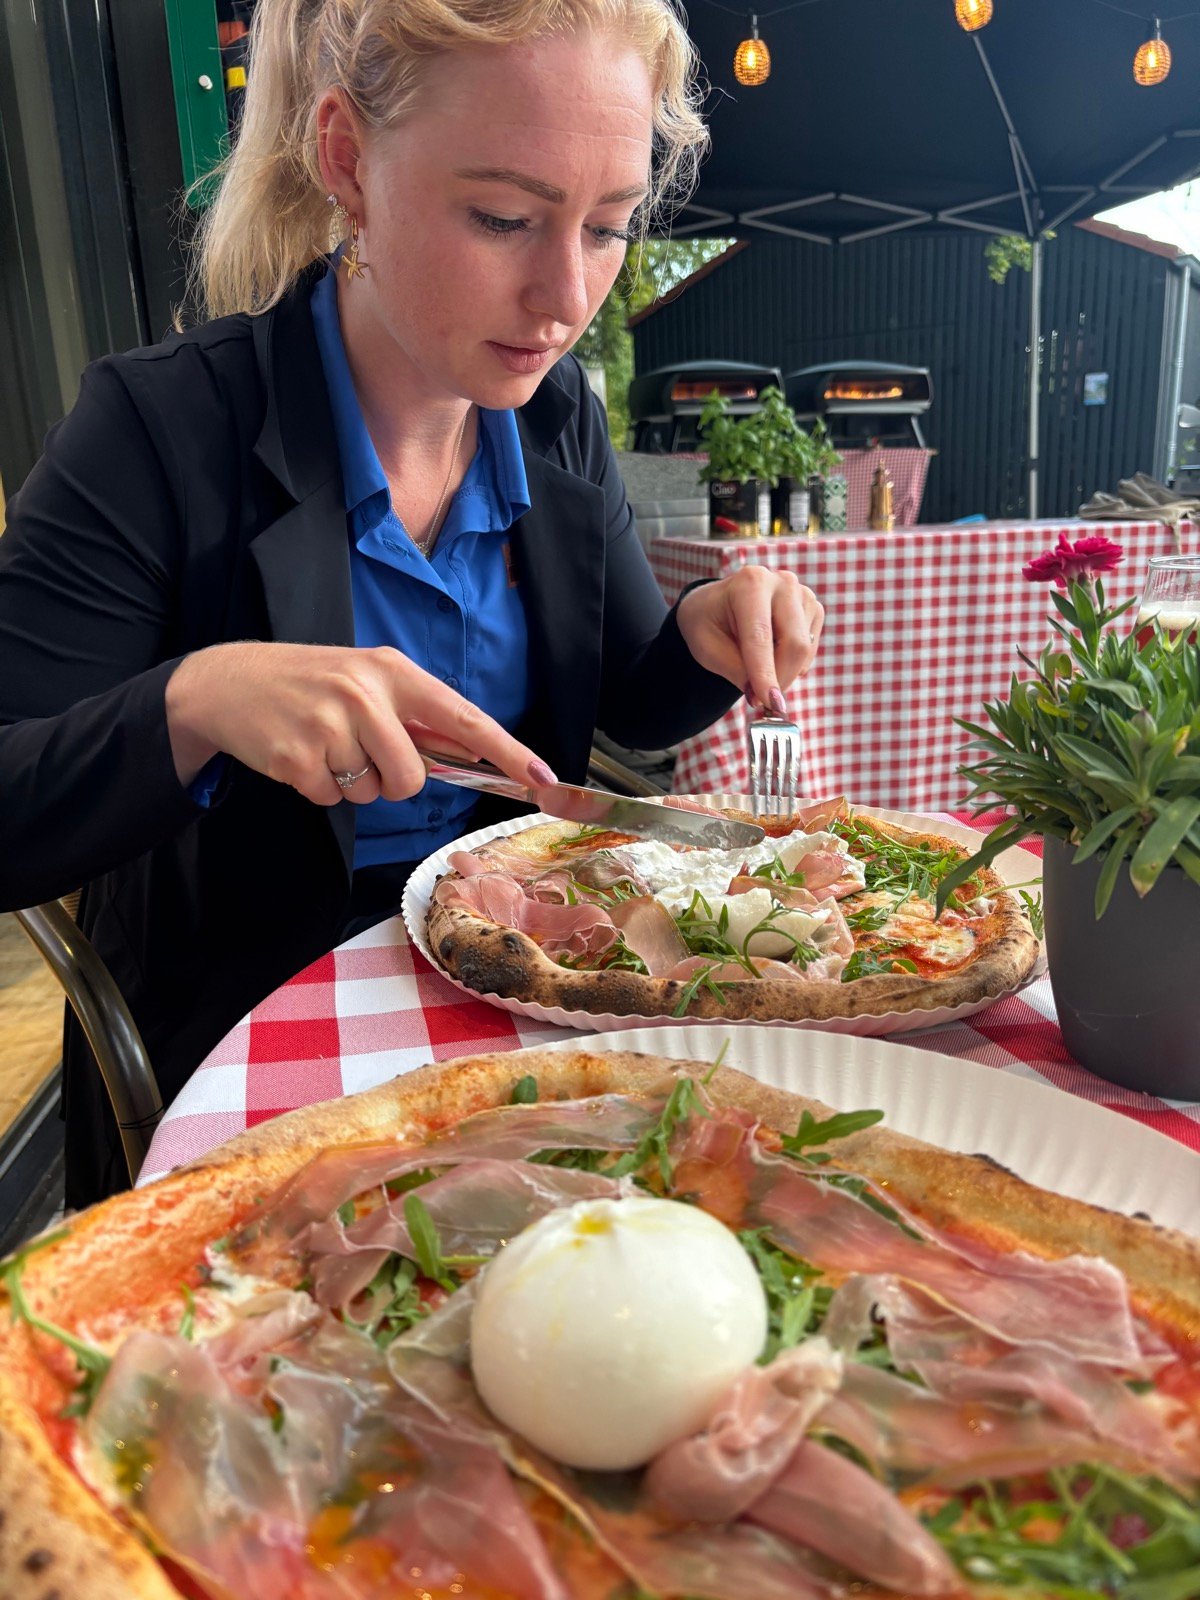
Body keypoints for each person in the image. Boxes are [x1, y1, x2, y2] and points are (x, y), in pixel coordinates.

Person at [0, 0, 824, 1206]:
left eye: (607, 228)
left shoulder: (553, 419)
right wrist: (200, 698)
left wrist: (705, 634)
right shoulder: (161, 430)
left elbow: (632, 699)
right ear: (346, 161)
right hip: (263, 1037)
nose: (563, 296)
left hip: (540, 994)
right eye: (503, 217)